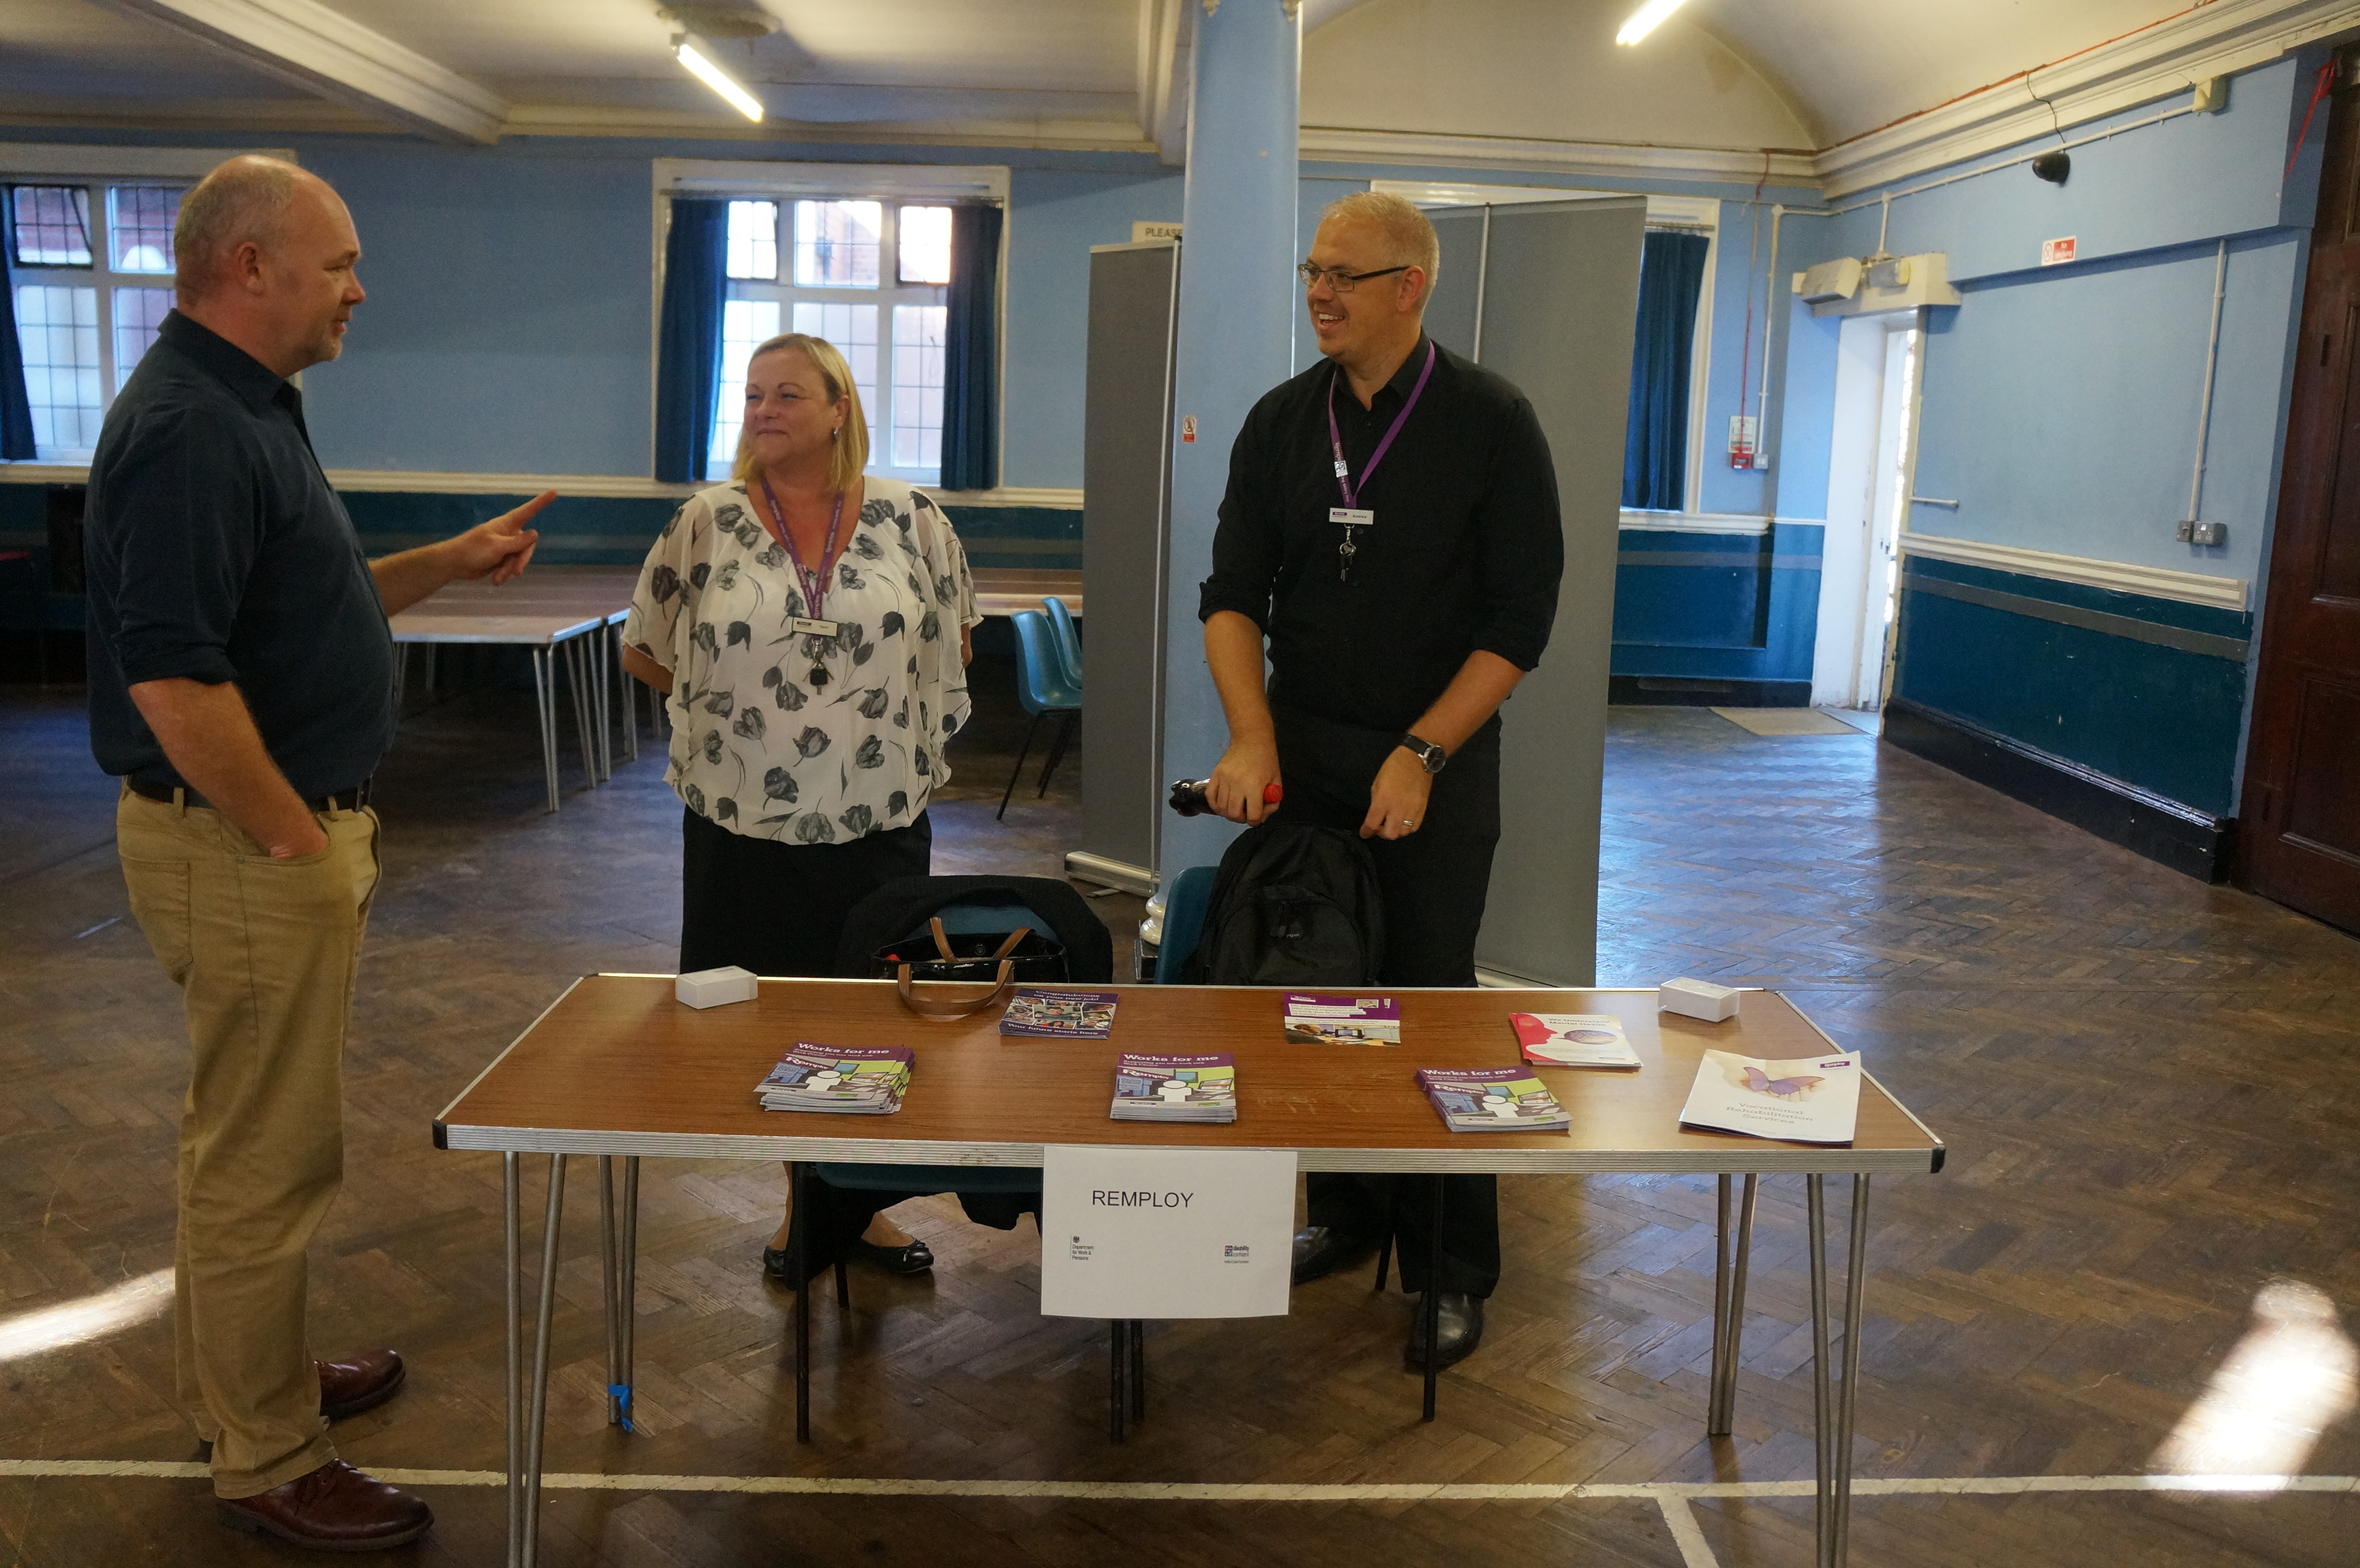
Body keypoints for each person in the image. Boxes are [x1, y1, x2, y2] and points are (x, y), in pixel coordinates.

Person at [87, 155, 551, 1549]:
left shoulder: (245, 408)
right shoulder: (192, 428)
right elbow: (174, 677)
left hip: (261, 846)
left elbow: (312, 598)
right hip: (248, 849)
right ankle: (268, 1455)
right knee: (266, 1161)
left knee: (245, 1142)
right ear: (251, 266)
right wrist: (289, 837)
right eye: (341, 262)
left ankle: (249, 1385)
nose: (359, 288)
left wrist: (449, 560)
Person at [1197, 190, 1564, 1370]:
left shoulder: (1491, 421)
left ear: (1410, 286)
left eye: (1342, 275)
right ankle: (1352, 1215)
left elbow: (1519, 622)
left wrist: (1422, 753)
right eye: (1312, 271)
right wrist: (1250, 738)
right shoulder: (1279, 421)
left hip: (1433, 767)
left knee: (1431, 1005)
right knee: (1324, 998)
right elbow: (1229, 597)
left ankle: (1451, 1265)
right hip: (1305, 756)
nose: (1318, 293)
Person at [619, 332, 982, 1285]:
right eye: (752, 395)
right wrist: (742, 716)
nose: (765, 410)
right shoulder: (706, 521)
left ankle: (858, 1204)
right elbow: (645, 649)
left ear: (837, 409)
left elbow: (954, 645)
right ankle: (801, 1201)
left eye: (787, 393)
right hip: (743, 826)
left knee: (870, 1016)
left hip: (876, 821)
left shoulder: (912, 519)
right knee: (766, 1022)